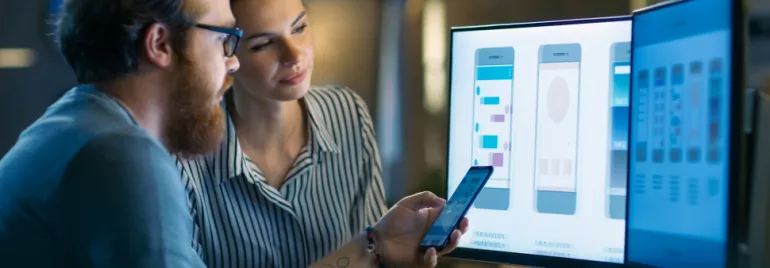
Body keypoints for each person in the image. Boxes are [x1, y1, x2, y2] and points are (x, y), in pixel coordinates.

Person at [0, 0, 467, 267]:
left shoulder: (73, 127)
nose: (233, 60)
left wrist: (375, 244)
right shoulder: (125, 160)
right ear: (160, 43)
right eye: (226, 38)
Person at [174, 0, 389, 267]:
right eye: (263, 44)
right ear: (226, 53)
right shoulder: (185, 153)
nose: (294, 55)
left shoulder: (348, 114)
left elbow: (375, 253)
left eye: (299, 28)